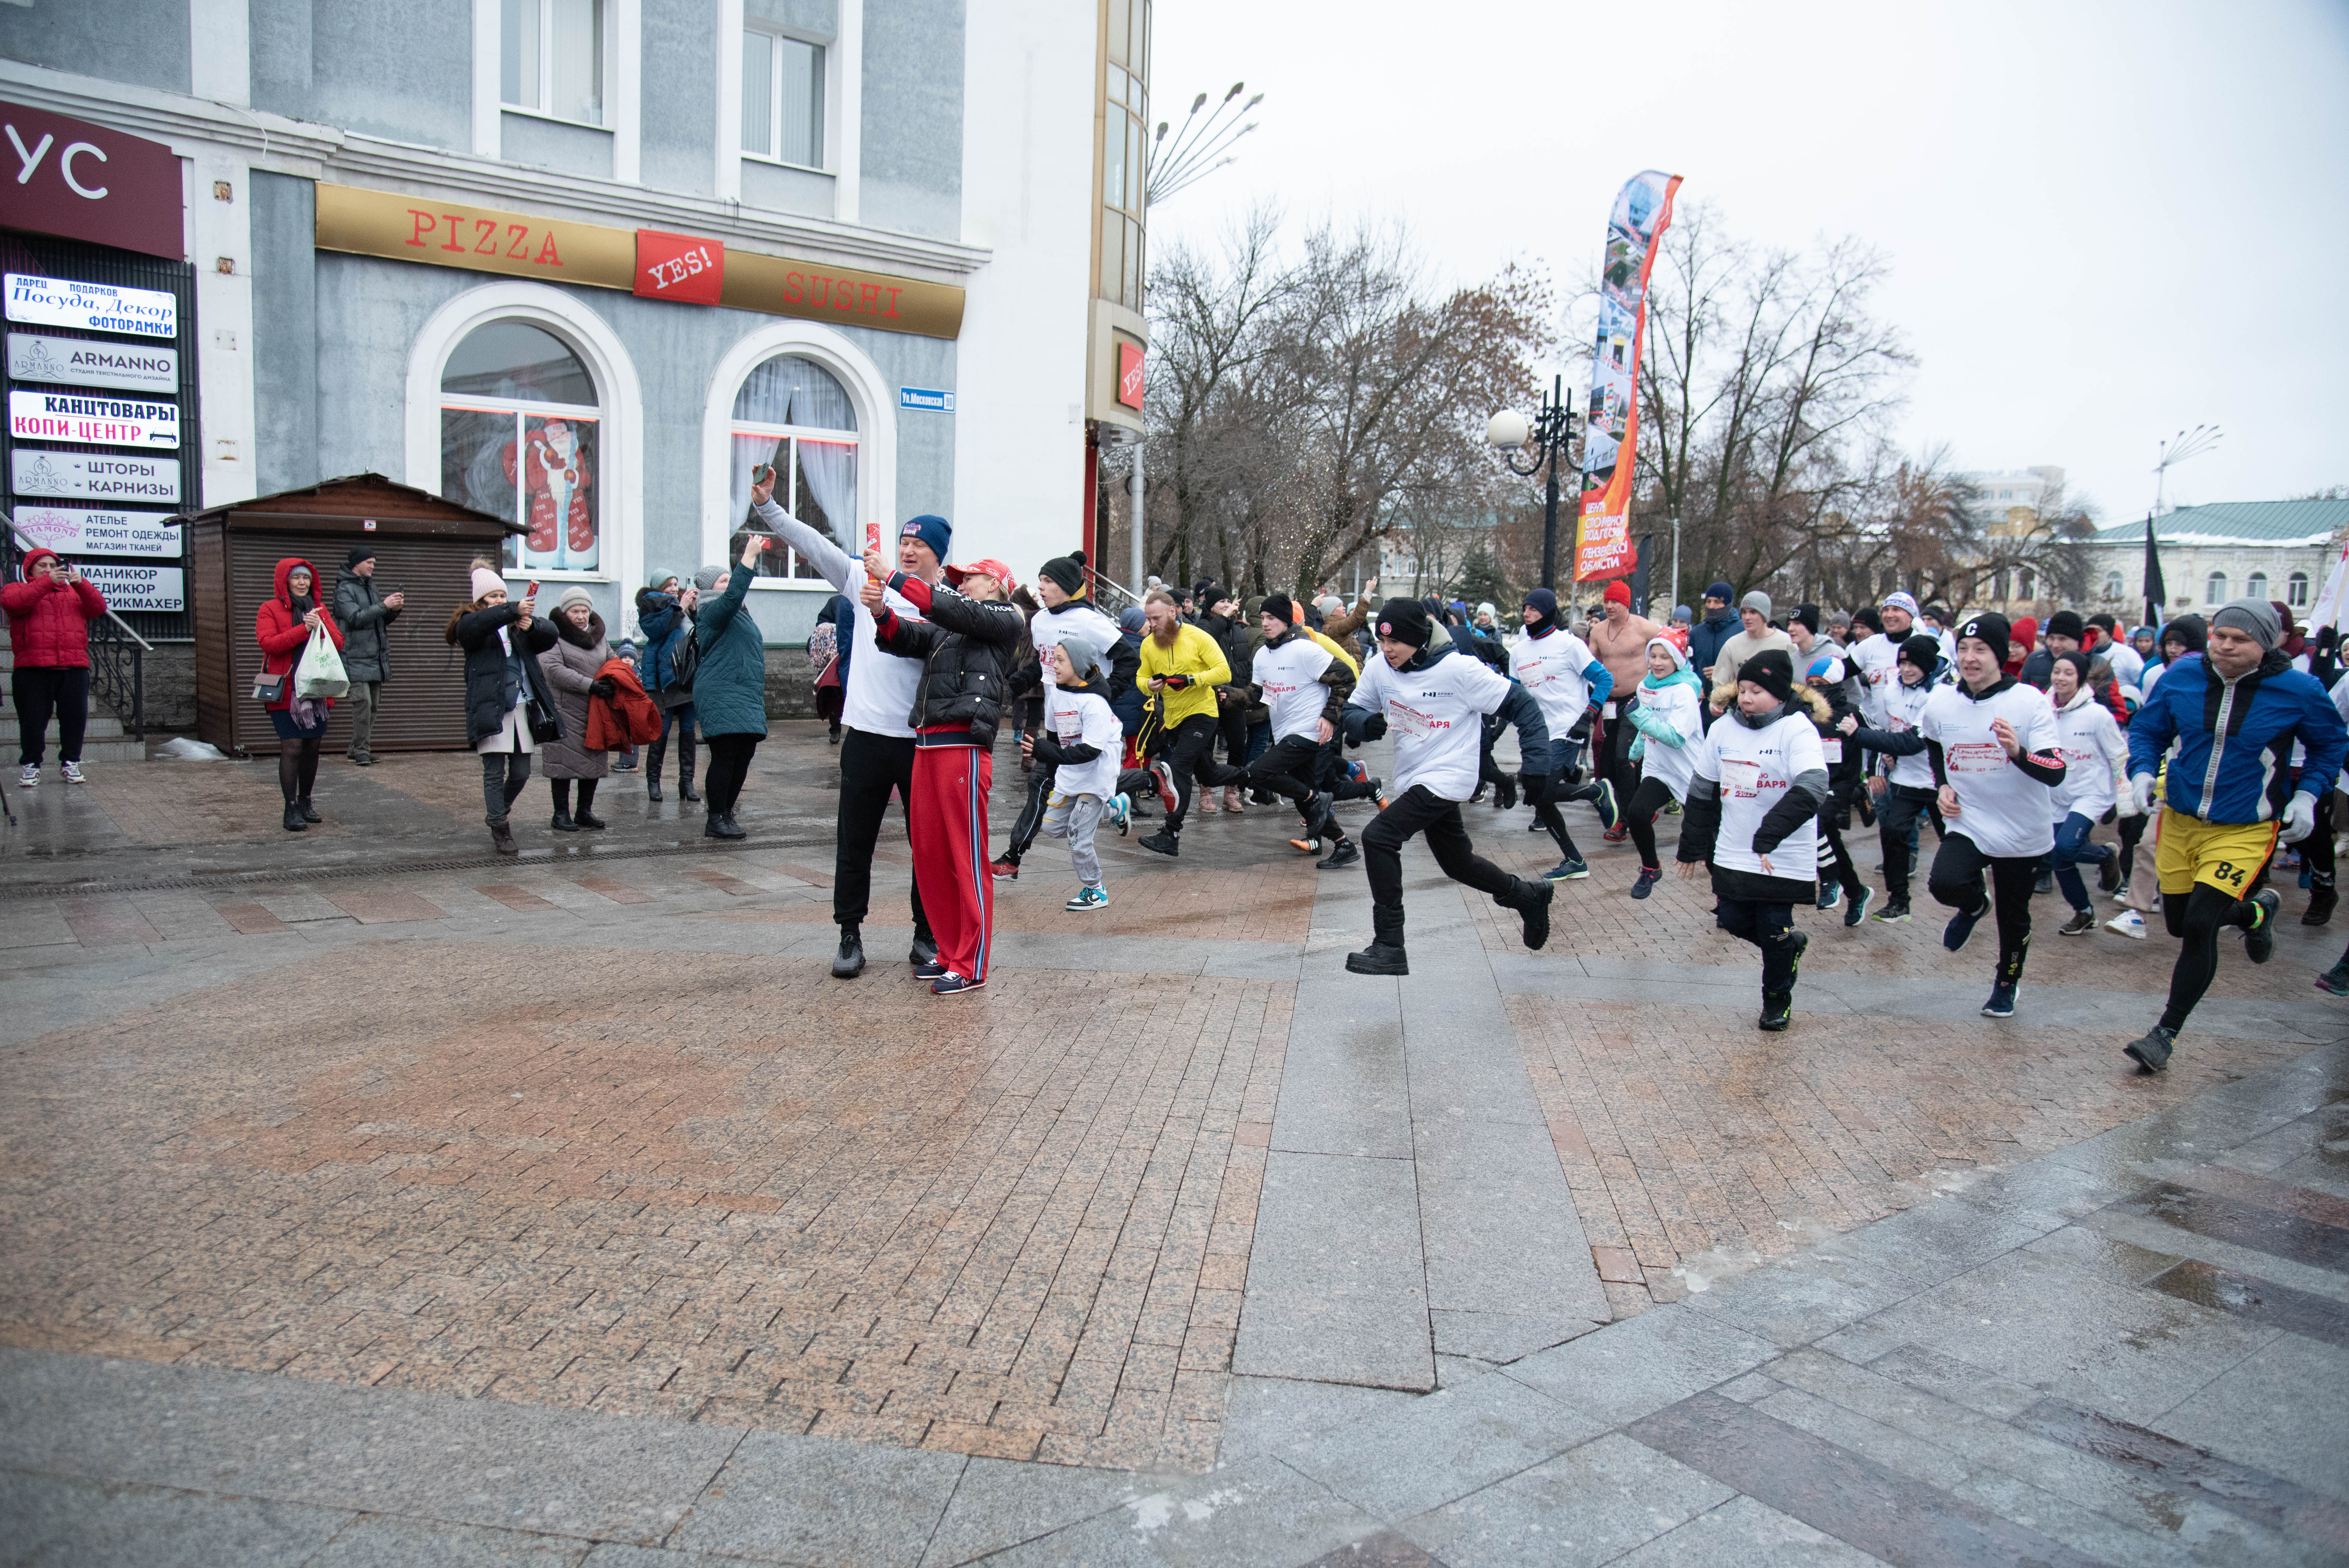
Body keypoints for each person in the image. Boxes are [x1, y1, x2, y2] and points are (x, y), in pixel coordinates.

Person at [2117, 599, 2346, 1073]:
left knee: (2201, 924)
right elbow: (2148, 730)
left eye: (2239, 639)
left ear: (2268, 643)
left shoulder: (2298, 689)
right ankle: (2258, 910)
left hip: (2245, 827)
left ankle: (2165, 1033)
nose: (2224, 645)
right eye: (2219, 634)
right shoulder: (2181, 675)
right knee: (2179, 922)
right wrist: (2141, 772)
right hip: (2179, 821)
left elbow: (2330, 744)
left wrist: (2306, 796)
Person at [749, 481, 939, 979]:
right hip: (866, 736)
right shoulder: (861, 580)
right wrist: (768, 506)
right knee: (855, 840)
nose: (908, 550)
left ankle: (926, 933)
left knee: (927, 842)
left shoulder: (939, 601)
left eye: (919, 546)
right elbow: (812, 544)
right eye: (905, 543)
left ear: (937, 554)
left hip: (919, 741)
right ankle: (849, 934)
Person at [1339, 598, 1554, 975]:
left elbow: (1524, 707)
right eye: (1383, 642)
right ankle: (1527, 896)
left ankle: (1390, 945)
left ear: (1419, 639)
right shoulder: (1379, 667)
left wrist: (1536, 765)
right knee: (1458, 864)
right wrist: (1362, 724)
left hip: (1449, 774)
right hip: (1416, 776)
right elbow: (1353, 710)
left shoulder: (1460, 670)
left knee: (1379, 837)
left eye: (1397, 643)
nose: (1388, 650)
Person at [862, 549, 1025, 995]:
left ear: (994, 584)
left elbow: (946, 606)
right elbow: (908, 636)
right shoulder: (955, 625)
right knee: (931, 854)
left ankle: (971, 962)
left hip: (962, 747)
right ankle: (950, 951)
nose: (961, 584)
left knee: (965, 857)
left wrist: (892, 577)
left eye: (969, 577)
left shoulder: (1006, 617)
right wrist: (881, 613)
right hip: (928, 743)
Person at [1921, 612, 2066, 1019]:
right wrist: (1943, 784)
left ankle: (2006, 983)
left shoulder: (2028, 701)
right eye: (1964, 649)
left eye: (1981, 650)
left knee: (2013, 914)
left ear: (1999, 656)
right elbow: (1933, 743)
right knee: (1945, 883)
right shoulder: (1942, 699)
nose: (1970, 658)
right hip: (1969, 818)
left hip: (2021, 826)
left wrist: (2018, 752)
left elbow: (2056, 772)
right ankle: (1971, 905)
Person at [1675, 650, 1828, 1031]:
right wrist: (1692, 844)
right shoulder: (1724, 728)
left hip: (1780, 852)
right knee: (1731, 917)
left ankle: (1776, 1000)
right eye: (1742, 689)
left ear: (1779, 694)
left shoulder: (1797, 728)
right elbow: (1701, 789)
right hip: (1733, 847)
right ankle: (1787, 948)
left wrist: (1770, 832)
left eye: (1756, 690)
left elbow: (1813, 786)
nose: (1745, 698)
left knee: (1774, 925)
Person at [1193, 593, 1360, 867]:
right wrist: (1230, 695)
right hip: (1285, 732)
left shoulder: (1305, 650)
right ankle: (1344, 845)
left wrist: (1330, 717)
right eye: (1264, 618)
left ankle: (1318, 799)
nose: (1266, 624)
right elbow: (1258, 695)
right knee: (1304, 799)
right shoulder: (1263, 655)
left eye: (1272, 619)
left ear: (1285, 620)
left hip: (1310, 731)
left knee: (1260, 772)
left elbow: (1345, 678)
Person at [1510, 587, 1622, 878]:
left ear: (1547, 612)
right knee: (1538, 795)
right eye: (1525, 608)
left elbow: (1605, 680)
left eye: (1533, 609)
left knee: (1544, 790)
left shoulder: (1569, 644)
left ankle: (1597, 791)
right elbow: (1513, 693)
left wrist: (1588, 715)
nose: (1527, 613)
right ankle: (1575, 861)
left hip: (1568, 727)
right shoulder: (1519, 651)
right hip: (1537, 732)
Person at [449, 561, 556, 854]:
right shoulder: (471, 624)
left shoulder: (513, 625)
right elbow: (477, 625)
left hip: (522, 706)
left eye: (502, 595)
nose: (500, 601)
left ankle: (499, 808)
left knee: (521, 772)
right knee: (494, 772)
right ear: (480, 600)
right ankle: (500, 827)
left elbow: (551, 635)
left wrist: (532, 625)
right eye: (493, 597)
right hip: (491, 707)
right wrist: (511, 609)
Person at [1840, 634, 1946, 922]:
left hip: (1941, 783)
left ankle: (1971, 892)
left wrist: (1858, 734)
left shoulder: (1937, 696)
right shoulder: (1891, 692)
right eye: (1903, 663)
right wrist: (1878, 766)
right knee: (1893, 833)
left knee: (1951, 842)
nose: (1908, 669)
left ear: (1928, 666)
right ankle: (1899, 901)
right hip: (1906, 780)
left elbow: (1913, 742)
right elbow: (1885, 734)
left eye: (1914, 664)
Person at [1025, 633, 1128, 911]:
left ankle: (1096, 890)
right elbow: (1055, 740)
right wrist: (1045, 756)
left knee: (1078, 839)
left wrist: (1047, 752)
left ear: (1079, 665)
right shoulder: (1056, 695)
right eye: (1053, 659)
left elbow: (1090, 751)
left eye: (1061, 660)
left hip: (1096, 776)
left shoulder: (1094, 704)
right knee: (1051, 826)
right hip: (1072, 774)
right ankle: (1115, 808)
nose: (1054, 665)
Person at [1133, 590, 1233, 857]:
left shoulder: (1198, 637)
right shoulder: (1148, 645)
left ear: (1173, 613)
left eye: (1156, 619)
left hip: (1202, 713)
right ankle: (1253, 775)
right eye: (1148, 619)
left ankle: (1171, 834)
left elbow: (1224, 671)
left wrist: (1191, 679)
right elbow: (1141, 679)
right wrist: (1149, 685)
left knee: (1178, 769)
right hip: (1173, 719)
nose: (1151, 625)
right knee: (1209, 774)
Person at [690, 537, 776, 840]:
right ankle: (715, 818)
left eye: (730, 579)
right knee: (726, 756)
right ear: (711, 589)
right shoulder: (712, 611)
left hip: (745, 694)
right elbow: (733, 596)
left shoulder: (737, 613)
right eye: (724, 580)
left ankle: (727, 813)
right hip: (720, 692)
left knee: (744, 756)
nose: (731, 584)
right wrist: (749, 557)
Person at [255, 557, 346, 832]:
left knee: (312, 748)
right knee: (292, 746)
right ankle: (290, 808)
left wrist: (321, 625)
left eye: (306, 578)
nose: (302, 583)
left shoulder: (319, 609)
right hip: (286, 691)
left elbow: (339, 643)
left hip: (316, 690)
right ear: (285, 581)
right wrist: (302, 629)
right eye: (296, 578)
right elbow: (268, 643)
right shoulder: (269, 609)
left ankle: (306, 802)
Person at [2, 547, 105, 787]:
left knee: (74, 719)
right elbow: (16, 605)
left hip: (73, 667)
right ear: (30, 570)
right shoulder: (15, 589)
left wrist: (82, 584)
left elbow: (98, 608)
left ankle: (70, 763)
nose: (49, 570)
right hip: (33, 669)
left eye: (53, 565)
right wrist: (47, 583)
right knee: (33, 721)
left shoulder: (73, 593)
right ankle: (31, 765)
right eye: (43, 566)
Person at [2044, 650, 2131, 935]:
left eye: (2069, 673)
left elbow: (2119, 755)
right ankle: (2084, 912)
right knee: (2058, 858)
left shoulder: (2097, 715)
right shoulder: (2042, 710)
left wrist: (2123, 796)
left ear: (2080, 678)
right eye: (2057, 672)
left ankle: (2105, 856)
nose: (2061, 678)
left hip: (2091, 793)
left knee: (2066, 847)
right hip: (2056, 794)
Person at [1622, 635, 1706, 897]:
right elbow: (1645, 726)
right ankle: (1651, 868)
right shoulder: (1645, 687)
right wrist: (1636, 751)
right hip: (1659, 769)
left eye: (1665, 657)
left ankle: (1728, 898)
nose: (1657, 663)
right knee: (1636, 814)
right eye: (1654, 656)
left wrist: (1638, 715)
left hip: (1690, 771)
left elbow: (1675, 738)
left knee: (1708, 841)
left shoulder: (1685, 692)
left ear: (1678, 661)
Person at [1587, 579, 1663, 838]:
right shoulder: (1599, 631)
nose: (1609, 606)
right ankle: (1636, 809)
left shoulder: (1644, 628)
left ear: (1626, 604)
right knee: (1608, 762)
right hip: (1609, 702)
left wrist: (1672, 682)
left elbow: (1674, 649)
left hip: (1636, 700)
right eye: (1607, 601)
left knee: (1624, 757)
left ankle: (1627, 820)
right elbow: (1589, 663)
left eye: (1615, 602)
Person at [536, 587, 613, 832]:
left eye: (585, 611)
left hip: (595, 710)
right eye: (575, 611)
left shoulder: (598, 636)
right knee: (564, 764)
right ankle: (560, 815)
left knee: (592, 761)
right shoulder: (552, 637)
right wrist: (591, 685)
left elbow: (612, 660)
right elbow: (553, 671)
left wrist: (620, 677)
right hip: (564, 710)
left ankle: (584, 812)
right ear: (564, 612)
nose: (581, 616)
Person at [1801, 650, 1869, 923]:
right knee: (1831, 843)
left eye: (1822, 685)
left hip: (1842, 783)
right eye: (1812, 685)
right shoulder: (1806, 714)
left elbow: (1870, 743)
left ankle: (1829, 880)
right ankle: (1857, 892)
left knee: (1814, 822)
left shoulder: (1851, 713)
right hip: (1815, 780)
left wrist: (1866, 779)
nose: (1816, 690)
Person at [332, 545, 403, 766]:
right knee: (363, 703)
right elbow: (354, 618)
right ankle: (363, 751)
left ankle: (356, 749)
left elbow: (378, 620)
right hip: (353, 657)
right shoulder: (343, 590)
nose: (373, 566)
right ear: (357, 564)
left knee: (373, 706)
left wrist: (394, 610)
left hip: (375, 658)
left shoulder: (371, 587)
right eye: (369, 562)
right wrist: (384, 605)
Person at [634, 571, 699, 803]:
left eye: (676, 584)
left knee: (689, 731)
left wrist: (692, 609)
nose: (674, 588)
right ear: (658, 588)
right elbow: (658, 630)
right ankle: (654, 782)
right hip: (663, 681)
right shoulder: (649, 606)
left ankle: (687, 782)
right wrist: (680, 607)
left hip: (685, 676)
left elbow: (700, 628)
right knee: (660, 732)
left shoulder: (678, 606)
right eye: (669, 585)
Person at [1706, 592, 1798, 715]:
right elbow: (1720, 683)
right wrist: (1715, 704)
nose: (1747, 617)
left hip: (1779, 714)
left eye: (1753, 612)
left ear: (1765, 615)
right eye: (1744, 612)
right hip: (1743, 713)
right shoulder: (1732, 644)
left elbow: (1797, 682)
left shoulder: (1786, 643)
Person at [1686, 582, 1741, 688]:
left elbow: (1747, 665)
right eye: (1708, 601)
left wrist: (1724, 672)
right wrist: (1695, 684)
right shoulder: (1696, 633)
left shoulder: (1741, 631)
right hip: (1702, 699)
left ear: (1728, 604)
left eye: (1717, 602)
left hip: (1732, 697)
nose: (1711, 607)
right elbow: (1689, 666)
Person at [810, 594, 847, 745]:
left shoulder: (865, 600)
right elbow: (821, 626)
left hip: (855, 657)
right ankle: (836, 730)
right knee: (834, 694)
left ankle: (856, 731)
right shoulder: (836, 602)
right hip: (834, 660)